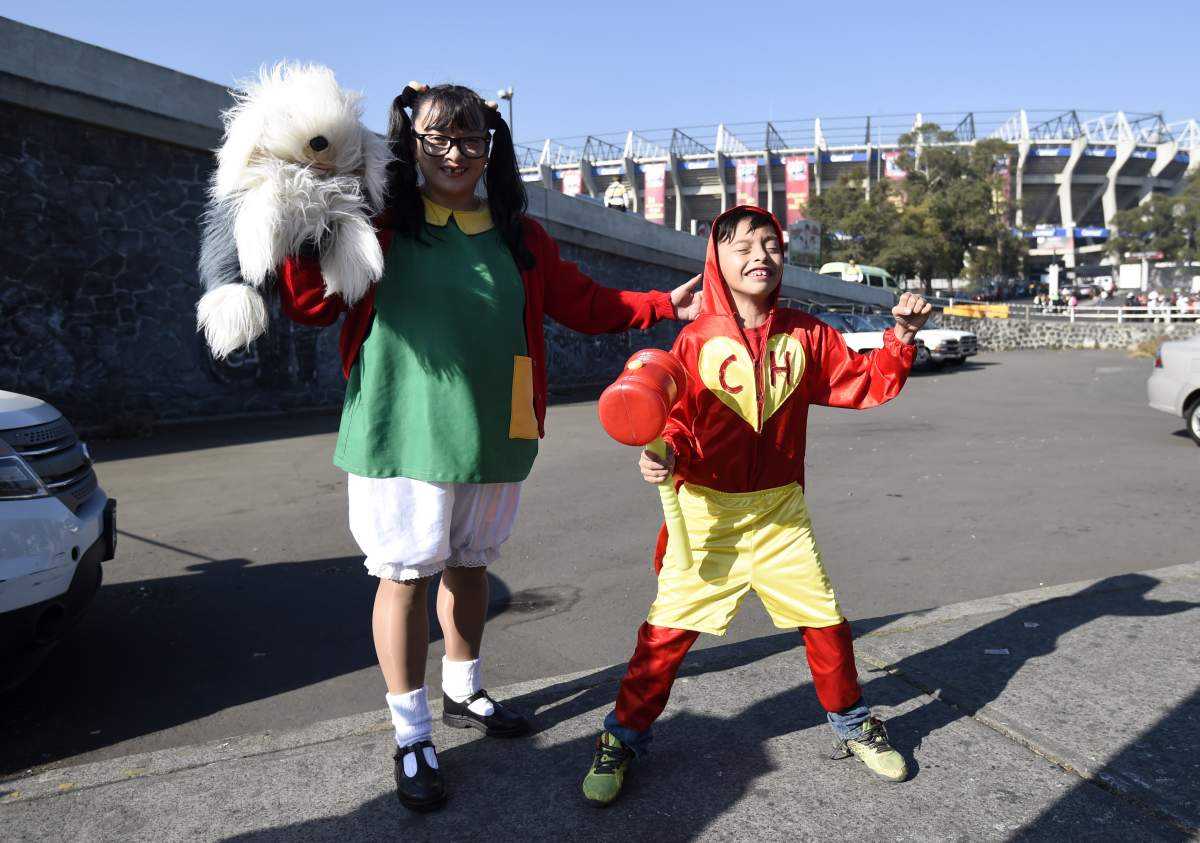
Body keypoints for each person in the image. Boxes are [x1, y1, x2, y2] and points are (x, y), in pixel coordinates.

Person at [276, 83, 702, 813]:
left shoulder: (518, 235)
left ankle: (464, 689)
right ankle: (411, 733)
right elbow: (310, 303)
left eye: (470, 138)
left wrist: (664, 304)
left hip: (496, 426)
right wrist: (305, 224)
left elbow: (582, 300)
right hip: (400, 425)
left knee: (471, 564)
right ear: (411, 144)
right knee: (405, 576)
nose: (455, 153)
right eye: (437, 138)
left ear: (491, 146)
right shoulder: (379, 225)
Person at [580, 206, 932, 806]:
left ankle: (852, 723)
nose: (759, 256)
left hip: (779, 514)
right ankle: (622, 736)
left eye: (770, 244)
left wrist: (900, 338)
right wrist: (663, 452)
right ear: (716, 259)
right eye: (742, 247)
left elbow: (860, 379)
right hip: (706, 516)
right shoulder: (695, 338)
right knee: (663, 636)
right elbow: (677, 418)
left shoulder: (807, 333)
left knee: (826, 623)